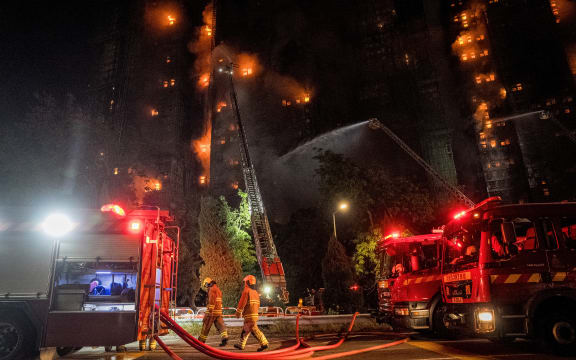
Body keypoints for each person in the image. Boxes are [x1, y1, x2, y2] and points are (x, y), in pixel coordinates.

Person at [233, 275, 269, 352]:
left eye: (244, 282)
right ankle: (241, 344)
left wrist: (238, 313)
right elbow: (258, 304)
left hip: (249, 315)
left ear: (246, 282)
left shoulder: (246, 291)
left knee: (254, 330)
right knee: (246, 330)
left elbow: (241, 303)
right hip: (254, 315)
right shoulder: (256, 293)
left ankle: (264, 343)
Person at [198, 277, 229, 346]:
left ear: (207, 283)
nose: (206, 287)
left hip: (212, 312)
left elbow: (212, 300)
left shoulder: (211, 289)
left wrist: (210, 310)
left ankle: (201, 341)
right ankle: (225, 337)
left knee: (206, 326)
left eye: (206, 285)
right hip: (218, 311)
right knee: (220, 325)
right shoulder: (218, 289)